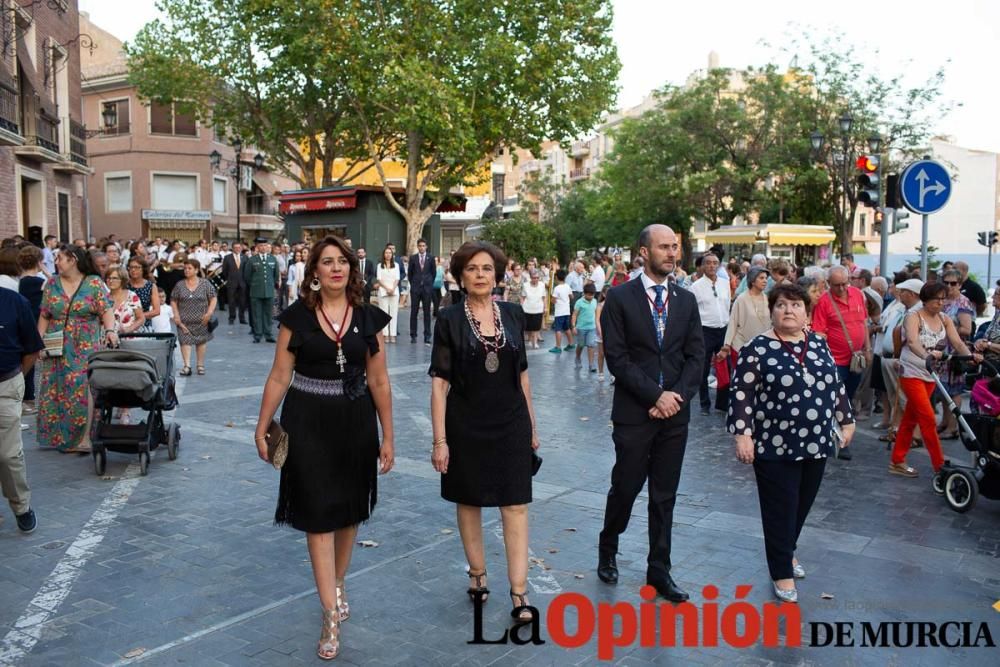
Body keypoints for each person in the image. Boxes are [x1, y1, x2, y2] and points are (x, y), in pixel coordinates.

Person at [254, 235, 394, 661]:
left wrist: (388, 435)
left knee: (349, 512)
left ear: (352, 269)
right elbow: (280, 375)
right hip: (307, 422)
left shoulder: (368, 318)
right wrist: (262, 426)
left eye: (343, 262)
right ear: (313, 272)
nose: (336, 268)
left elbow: (379, 381)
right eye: (327, 262)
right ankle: (329, 613)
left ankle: (337, 581)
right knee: (317, 516)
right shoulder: (296, 318)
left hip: (354, 422)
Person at [429, 240, 540, 624]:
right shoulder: (449, 320)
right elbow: (439, 384)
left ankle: (519, 592)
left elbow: (522, 373)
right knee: (470, 499)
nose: (480, 275)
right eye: (473, 269)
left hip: (510, 422)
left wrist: (532, 424)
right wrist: (440, 440)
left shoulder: (513, 314)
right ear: (460, 276)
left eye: (487, 268)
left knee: (516, 503)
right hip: (466, 424)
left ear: (498, 274)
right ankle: (477, 572)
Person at [728, 283, 855, 603]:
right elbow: (741, 395)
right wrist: (743, 435)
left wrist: (846, 418)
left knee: (801, 505)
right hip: (773, 445)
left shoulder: (818, 345)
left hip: (816, 443)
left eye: (796, 305)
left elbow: (835, 384)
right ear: (771, 311)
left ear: (807, 313)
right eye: (782, 305)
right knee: (779, 509)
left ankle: (788, 549)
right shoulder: (757, 348)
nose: (789, 310)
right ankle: (781, 570)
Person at [597, 224, 704, 603]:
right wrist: (655, 395)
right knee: (625, 486)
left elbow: (696, 356)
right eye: (664, 247)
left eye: (675, 246)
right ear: (643, 252)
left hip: (675, 414)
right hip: (634, 412)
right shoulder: (620, 298)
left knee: (664, 495)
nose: (673, 253)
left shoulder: (686, 300)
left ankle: (660, 570)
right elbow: (617, 359)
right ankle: (608, 546)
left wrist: (676, 396)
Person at [890, 282, 979, 478]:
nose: (940, 303)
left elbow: (956, 342)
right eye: (936, 299)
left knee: (911, 418)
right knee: (928, 418)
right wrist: (926, 356)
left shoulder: (944, 319)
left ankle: (897, 460)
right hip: (911, 371)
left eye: (942, 299)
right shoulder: (913, 316)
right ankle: (939, 465)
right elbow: (912, 341)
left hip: (930, 375)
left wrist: (970, 356)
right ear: (925, 300)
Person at [37, 245, 116, 453]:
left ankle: (85, 437)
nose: (56, 262)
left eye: (60, 258)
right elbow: (45, 314)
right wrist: (38, 342)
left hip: (85, 342)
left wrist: (110, 330)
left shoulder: (94, 283)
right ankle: (62, 437)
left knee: (83, 385)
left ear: (73, 260)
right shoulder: (52, 284)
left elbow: (106, 310)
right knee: (58, 387)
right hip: (56, 342)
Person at [810, 265, 870, 460]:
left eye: (845, 283)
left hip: (856, 358)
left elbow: (864, 324)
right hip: (835, 360)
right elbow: (820, 332)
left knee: (849, 397)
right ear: (829, 283)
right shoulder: (824, 302)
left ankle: (839, 431)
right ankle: (840, 440)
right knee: (837, 400)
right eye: (837, 285)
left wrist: (868, 348)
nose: (843, 288)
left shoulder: (858, 295)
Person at [0, 285, 44, 533]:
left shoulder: (14, 302)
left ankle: (21, 506)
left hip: (5, 384)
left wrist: (17, 380)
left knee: (7, 454)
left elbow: (32, 349)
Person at [690, 253, 731, 415]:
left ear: (719, 265)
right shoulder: (696, 287)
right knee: (704, 368)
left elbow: (727, 304)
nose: (712, 266)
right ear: (702, 266)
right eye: (708, 263)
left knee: (725, 367)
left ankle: (722, 403)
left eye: (715, 263)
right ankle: (704, 403)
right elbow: (692, 313)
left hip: (723, 329)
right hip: (705, 331)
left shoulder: (725, 283)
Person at [936, 269, 975, 439]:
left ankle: (953, 427)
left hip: (955, 353)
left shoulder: (963, 303)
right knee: (944, 390)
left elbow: (967, 329)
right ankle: (945, 422)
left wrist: (949, 327)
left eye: (953, 283)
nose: (949, 286)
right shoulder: (942, 301)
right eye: (946, 282)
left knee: (955, 391)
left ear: (960, 284)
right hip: (942, 352)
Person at [171, 259, 218, 376]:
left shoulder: (205, 283)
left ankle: (200, 365)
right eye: (185, 268)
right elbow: (173, 300)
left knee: (201, 342)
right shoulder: (179, 285)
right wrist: (176, 315)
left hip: (202, 320)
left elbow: (213, 297)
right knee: (184, 341)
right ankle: (187, 366)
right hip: (184, 321)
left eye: (189, 268)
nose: (186, 270)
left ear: (196, 270)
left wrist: (209, 313)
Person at [16, 246, 45, 417]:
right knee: (30, 360)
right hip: (35, 322)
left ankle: (26, 398)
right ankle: (28, 398)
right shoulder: (39, 282)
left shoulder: (20, 281)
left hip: (22, 323)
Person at [723, 266, 772, 357]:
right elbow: (733, 322)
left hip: (763, 348)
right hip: (742, 346)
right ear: (752, 281)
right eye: (761, 278)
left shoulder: (767, 298)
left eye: (766, 278)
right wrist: (727, 344)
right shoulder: (741, 299)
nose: (765, 281)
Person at [248, 238, 279, 343]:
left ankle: (268, 334)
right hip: (256, 291)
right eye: (261, 246)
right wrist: (255, 285)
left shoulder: (273, 259)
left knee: (268, 314)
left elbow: (276, 276)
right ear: (257, 247)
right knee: (257, 314)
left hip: (269, 291)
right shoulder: (252, 260)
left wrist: (270, 286)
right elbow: (247, 276)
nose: (263, 247)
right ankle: (258, 335)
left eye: (265, 245)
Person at [407, 239, 436, 345]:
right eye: (420, 246)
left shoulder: (431, 258)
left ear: (426, 246)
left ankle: (427, 335)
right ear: (417, 247)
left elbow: (433, 273)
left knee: (427, 312)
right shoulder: (413, 258)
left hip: (427, 289)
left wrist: (428, 284)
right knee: (413, 312)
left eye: (423, 245)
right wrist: (414, 283)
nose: (422, 247)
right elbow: (410, 273)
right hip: (415, 288)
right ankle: (413, 335)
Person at [106, 265, 146, 335]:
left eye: (115, 278)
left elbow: (141, 318)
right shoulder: (103, 298)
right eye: (108, 278)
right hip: (108, 340)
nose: (111, 281)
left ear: (122, 280)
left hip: (128, 339)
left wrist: (129, 329)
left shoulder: (131, 296)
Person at [125, 256, 161, 332]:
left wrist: (138, 317)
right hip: (125, 325)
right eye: (131, 267)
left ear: (143, 269)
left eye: (137, 267)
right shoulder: (124, 285)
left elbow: (157, 311)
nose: (133, 270)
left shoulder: (151, 286)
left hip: (144, 326)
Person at [572, 283, 599, 372]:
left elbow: (596, 314)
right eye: (589, 294)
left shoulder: (595, 301)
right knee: (581, 345)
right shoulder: (579, 302)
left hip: (592, 328)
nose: (591, 296)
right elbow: (574, 315)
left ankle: (591, 364)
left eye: (592, 295)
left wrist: (597, 325)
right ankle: (578, 357)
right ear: (584, 293)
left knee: (591, 345)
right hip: (581, 328)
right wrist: (574, 326)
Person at [376, 246, 400, 343]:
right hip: (383, 291)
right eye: (386, 253)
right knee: (384, 313)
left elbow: (397, 278)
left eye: (390, 253)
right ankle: (385, 334)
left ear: (392, 254)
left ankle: (393, 334)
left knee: (393, 313)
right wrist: (387, 289)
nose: (388, 254)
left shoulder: (397, 265)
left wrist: (392, 289)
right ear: (383, 254)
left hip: (394, 291)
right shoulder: (379, 265)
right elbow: (379, 279)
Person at [221, 242, 249, 325]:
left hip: (242, 282)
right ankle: (232, 317)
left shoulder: (245, 257)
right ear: (232, 248)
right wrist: (229, 279)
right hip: (231, 282)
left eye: (239, 247)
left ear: (241, 248)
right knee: (231, 301)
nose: (237, 249)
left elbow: (247, 270)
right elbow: (224, 271)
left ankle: (242, 318)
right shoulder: (227, 258)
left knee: (242, 301)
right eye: (235, 247)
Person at [549, 269, 574, 353]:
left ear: (556, 277)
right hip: (567, 311)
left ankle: (558, 347)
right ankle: (571, 344)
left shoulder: (557, 288)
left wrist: (556, 301)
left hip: (559, 312)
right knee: (567, 328)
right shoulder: (567, 286)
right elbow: (572, 297)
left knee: (558, 329)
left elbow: (553, 300)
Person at [521, 269, 547, 349]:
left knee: (536, 327)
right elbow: (522, 297)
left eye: (537, 277)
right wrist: (521, 307)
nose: (535, 279)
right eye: (533, 277)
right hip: (527, 308)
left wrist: (545, 307)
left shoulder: (542, 285)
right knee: (528, 327)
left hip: (538, 308)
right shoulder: (525, 285)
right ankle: (529, 340)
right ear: (530, 277)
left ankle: (535, 342)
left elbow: (544, 297)